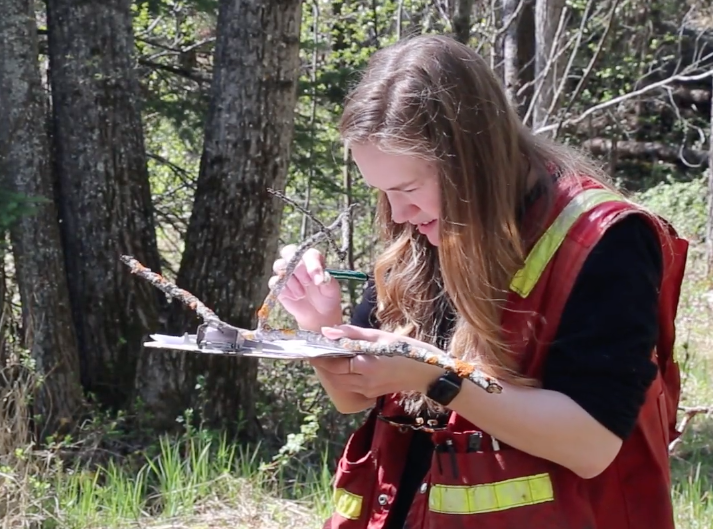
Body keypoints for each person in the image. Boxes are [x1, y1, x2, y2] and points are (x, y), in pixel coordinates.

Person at [269, 34, 688, 529]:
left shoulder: (604, 241)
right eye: (382, 192)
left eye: (408, 189)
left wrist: (434, 376)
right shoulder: (420, 233)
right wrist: (321, 327)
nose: (399, 215)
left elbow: (592, 445)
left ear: (472, 164)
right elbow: (355, 398)